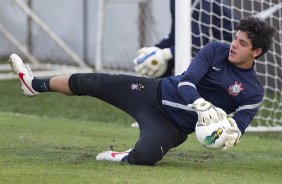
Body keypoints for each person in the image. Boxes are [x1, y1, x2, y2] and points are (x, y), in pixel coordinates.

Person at [10, 17, 275, 166]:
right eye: (235, 38)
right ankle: (34, 85)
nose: (233, 45)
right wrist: (201, 105)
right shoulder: (215, 50)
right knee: (92, 82)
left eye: (242, 44)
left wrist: (229, 136)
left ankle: (123, 155)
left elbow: (238, 128)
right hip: (152, 93)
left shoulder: (253, 92)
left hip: (173, 128)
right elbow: (186, 82)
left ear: (256, 52)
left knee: (145, 158)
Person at [134, 0, 239, 78]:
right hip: (203, 47)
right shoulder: (178, 2)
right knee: (163, 66)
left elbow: (196, 40)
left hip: (229, 51)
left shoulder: (203, 2)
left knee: (174, 58)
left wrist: (163, 54)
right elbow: (175, 35)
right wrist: (154, 51)